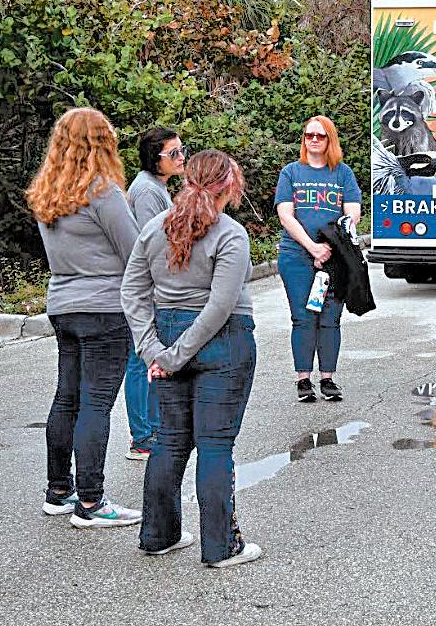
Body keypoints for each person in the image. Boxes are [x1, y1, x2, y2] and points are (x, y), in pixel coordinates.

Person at [121, 149, 262, 566]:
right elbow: (220, 306)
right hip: (223, 342)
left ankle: (158, 536)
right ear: (230, 185)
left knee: (170, 439)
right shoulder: (230, 234)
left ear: (187, 181)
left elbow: (132, 292)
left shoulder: (154, 228)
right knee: (215, 444)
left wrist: (154, 351)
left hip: (167, 337)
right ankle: (222, 546)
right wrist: (173, 355)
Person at [26, 107, 142, 527]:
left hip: (63, 304)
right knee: (96, 403)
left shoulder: (47, 194)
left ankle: (59, 490)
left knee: (67, 398)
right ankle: (91, 502)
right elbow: (135, 251)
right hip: (104, 306)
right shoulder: (103, 192)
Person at [275, 116, 362, 403]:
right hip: (296, 256)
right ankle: (303, 379)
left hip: (335, 257)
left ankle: (328, 378)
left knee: (330, 318)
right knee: (302, 317)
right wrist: (312, 247)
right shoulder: (290, 172)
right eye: (309, 135)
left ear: (330, 140)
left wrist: (331, 245)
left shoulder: (342, 173)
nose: (313, 140)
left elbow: (352, 213)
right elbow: (286, 215)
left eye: (320, 135)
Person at [122, 127, 187, 460]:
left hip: (149, 285)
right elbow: (153, 241)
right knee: (140, 359)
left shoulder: (157, 186)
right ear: (154, 158)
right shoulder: (147, 191)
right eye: (173, 153)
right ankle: (143, 436)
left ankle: (152, 429)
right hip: (146, 286)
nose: (181, 157)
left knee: (148, 357)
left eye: (182, 150)